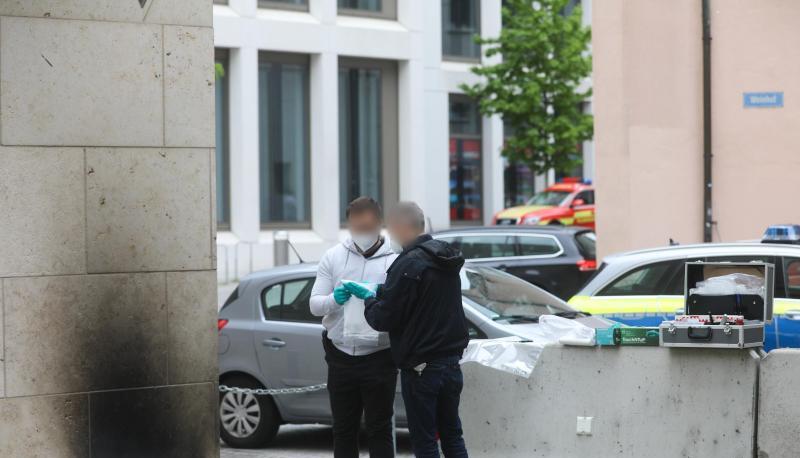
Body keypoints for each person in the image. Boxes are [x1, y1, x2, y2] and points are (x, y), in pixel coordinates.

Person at [346, 202, 470, 458]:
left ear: (402, 227)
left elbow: (383, 318)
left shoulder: (409, 263)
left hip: (422, 368)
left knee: (425, 442)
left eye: (391, 229)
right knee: (452, 435)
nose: (389, 236)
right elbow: (419, 299)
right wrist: (381, 290)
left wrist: (369, 299)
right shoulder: (445, 258)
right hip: (450, 364)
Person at [310, 196, 398, 458]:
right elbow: (314, 305)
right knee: (343, 430)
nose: (362, 233)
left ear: (379, 224)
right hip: (340, 356)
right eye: (356, 227)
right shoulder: (334, 256)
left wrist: (378, 296)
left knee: (380, 429)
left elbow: (401, 308)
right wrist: (333, 300)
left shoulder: (395, 259)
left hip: (380, 356)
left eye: (367, 227)